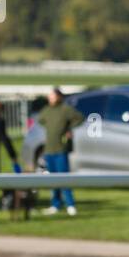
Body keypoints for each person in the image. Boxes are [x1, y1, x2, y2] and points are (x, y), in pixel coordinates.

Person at [37, 87, 84, 216]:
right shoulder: (47, 110)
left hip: (61, 149)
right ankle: (55, 204)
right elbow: (40, 120)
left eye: (52, 96)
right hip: (49, 150)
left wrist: (69, 129)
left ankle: (70, 205)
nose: (50, 98)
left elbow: (79, 118)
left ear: (58, 96)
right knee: (53, 180)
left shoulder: (65, 109)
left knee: (64, 178)